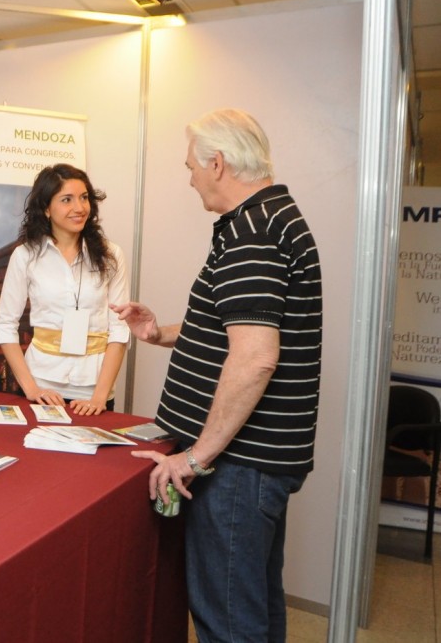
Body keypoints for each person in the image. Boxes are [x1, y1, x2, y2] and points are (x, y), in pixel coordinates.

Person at [112, 108, 322, 642]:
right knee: (257, 607)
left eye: (191, 167)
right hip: (257, 466)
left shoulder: (251, 232)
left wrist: (196, 456)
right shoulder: (274, 218)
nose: (189, 178)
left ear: (218, 163)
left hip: (237, 468)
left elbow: (255, 359)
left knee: (228, 620)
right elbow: (240, 328)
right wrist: (160, 332)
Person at [0, 164, 130, 415]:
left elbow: (119, 329)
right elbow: (5, 326)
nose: (79, 208)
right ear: (46, 208)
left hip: (94, 393)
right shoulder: (26, 256)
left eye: (84, 198)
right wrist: (32, 389)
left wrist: (100, 397)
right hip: (43, 389)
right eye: (67, 200)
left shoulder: (112, 255)